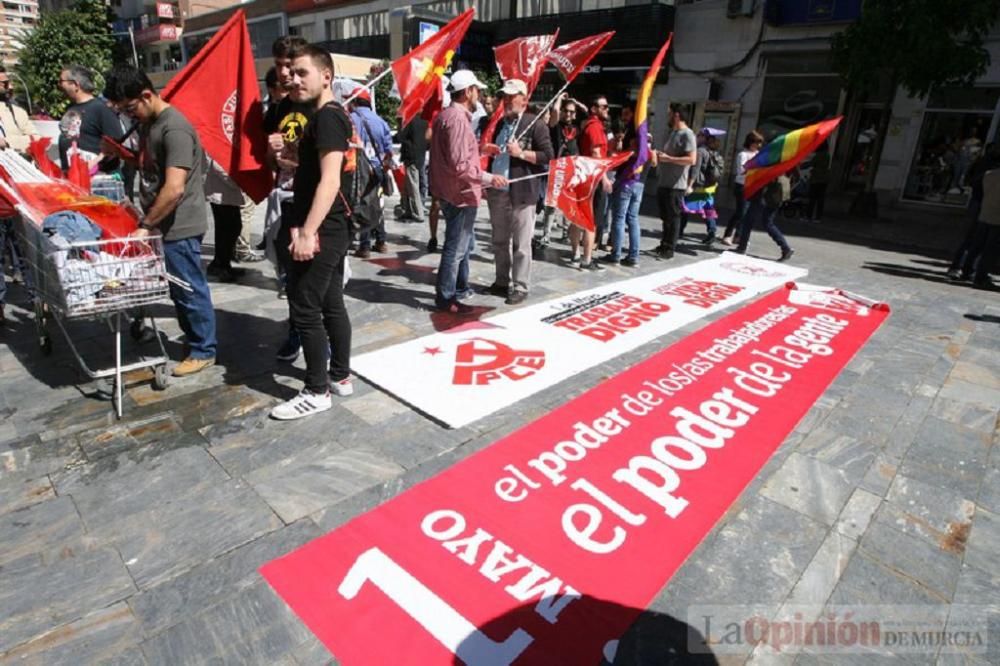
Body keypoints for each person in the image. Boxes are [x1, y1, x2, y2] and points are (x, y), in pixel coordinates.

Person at [102, 66, 217, 377]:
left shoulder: (174, 128)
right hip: (161, 223)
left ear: (146, 95)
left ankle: (204, 349)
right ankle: (196, 340)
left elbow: (174, 188)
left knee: (190, 288)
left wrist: (147, 224)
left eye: (130, 108)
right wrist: (122, 156)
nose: (129, 115)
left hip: (177, 224)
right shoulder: (149, 124)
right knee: (178, 289)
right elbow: (152, 167)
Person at [270, 45, 356, 419]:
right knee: (331, 302)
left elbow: (330, 180)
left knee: (304, 305)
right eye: (291, 72)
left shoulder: (329, 117)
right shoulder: (320, 118)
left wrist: (307, 232)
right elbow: (310, 168)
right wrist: (286, 153)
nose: (293, 79)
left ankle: (316, 389)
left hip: (324, 227)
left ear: (326, 76)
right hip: (331, 226)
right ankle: (339, 376)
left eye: (303, 72)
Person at [429, 70, 506, 313]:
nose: (480, 95)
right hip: (460, 194)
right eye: (477, 90)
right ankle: (447, 297)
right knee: (456, 248)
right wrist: (490, 178)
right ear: (468, 92)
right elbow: (461, 167)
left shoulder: (445, 116)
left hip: (450, 191)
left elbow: (455, 155)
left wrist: (482, 149)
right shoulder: (459, 120)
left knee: (459, 246)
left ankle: (456, 290)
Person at [482, 79, 554, 305]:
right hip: (498, 190)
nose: (506, 100)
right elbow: (497, 155)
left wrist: (521, 153)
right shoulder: (501, 124)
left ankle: (521, 286)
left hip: (522, 192)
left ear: (524, 99)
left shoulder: (536, 124)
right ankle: (502, 281)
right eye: (504, 96)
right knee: (499, 240)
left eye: (511, 96)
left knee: (521, 244)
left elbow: (548, 157)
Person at [263, 35, 310, 363]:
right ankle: (297, 329)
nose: (282, 72)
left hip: (311, 204)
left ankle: (319, 334)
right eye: (278, 65)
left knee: (316, 278)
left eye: (288, 65)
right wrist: (273, 152)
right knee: (289, 275)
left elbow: (329, 163)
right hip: (283, 201)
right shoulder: (278, 107)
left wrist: (294, 158)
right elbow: (268, 159)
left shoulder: (316, 104)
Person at [0, 65, 37, 325]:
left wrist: (11, 142)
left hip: (18, 190)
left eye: (7, 83)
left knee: (25, 249)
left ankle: (36, 298)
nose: (8, 88)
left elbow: (33, 138)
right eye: (3, 84)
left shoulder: (18, 111)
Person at [605, 118, 656, 267]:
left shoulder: (634, 148)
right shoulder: (647, 148)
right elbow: (654, 162)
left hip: (627, 183)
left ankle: (616, 255)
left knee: (619, 219)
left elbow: (617, 158)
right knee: (633, 219)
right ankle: (633, 256)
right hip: (640, 185)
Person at [349, 87, 393, 258]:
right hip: (377, 168)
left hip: (358, 170)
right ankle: (381, 241)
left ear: (355, 102)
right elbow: (389, 151)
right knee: (377, 204)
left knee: (362, 205)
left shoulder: (350, 119)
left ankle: (365, 245)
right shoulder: (381, 121)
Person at [947, 143, 1000, 282]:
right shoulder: (989, 168)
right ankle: (966, 269)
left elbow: (971, 180)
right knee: (982, 242)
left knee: (975, 240)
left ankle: (964, 268)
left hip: (983, 205)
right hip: (986, 206)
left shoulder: (984, 167)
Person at [571, 94, 611, 271]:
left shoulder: (589, 125)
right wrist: (605, 178)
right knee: (590, 220)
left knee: (578, 218)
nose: (607, 109)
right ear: (594, 109)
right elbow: (596, 154)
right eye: (603, 107)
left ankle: (575, 254)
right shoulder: (595, 127)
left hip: (584, 175)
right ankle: (586, 260)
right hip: (592, 178)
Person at [57, 64, 123, 173]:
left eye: (61, 81)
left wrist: (94, 163)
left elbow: (116, 145)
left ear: (75, 85)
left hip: (98, 179)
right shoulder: (71, 108)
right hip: (74, 177)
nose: (59, 85)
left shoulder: (101, 109)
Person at [536, 94, 581, 248]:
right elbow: (555, 111)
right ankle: (546, 235)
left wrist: (576, 102)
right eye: (566, 111)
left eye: (571, 112)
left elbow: (588, 112)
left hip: (571, 167)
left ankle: (565, 234)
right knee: (551, 204)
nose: (568, 114)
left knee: (568, 202)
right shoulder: (556, 125)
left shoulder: (577, 127)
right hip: (557, 167)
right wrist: (560, 98)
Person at [655, 105, 697, 259]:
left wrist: (669, 159)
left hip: (676, 184)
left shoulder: (688, 134)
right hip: (664, 181)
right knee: (665, 216)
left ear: (677, 115)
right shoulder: (673, 133)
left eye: (670, 114)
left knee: (673, 217)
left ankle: (670, 248)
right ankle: (664, 244)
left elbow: (692, 159)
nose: (668, 117)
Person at [204, 160, 247, 282]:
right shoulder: (216, 142)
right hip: (220, 191)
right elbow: (218, 166)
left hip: (227, 191)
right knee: (227, 229)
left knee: (230, 228)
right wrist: (238, 182)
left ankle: (223, 263)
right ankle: (220, 266)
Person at [736, 174, 795, 262]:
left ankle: (742, 247)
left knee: (749, 220)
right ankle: (785, 248)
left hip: (766, 194)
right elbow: (795, 176)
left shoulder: (771, 163)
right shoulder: (783, 165)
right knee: (767, 222)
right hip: (776, 195)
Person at [682, 129, 724, 245]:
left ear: (704, 137)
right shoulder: (714, 151)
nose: (697, 137)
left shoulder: (700, 151)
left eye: (699, 135)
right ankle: (712, 231)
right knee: (708, 208)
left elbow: (695, 170)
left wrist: (689, 185)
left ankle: (679, 230)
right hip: (710, 185)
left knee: (684, 206)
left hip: (699, 185)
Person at [721, 131, 763, 246]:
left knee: (747, 213)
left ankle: (738, 236)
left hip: (754, 186)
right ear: (750, 142)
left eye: (760, 143)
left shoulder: (758, 154)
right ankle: (728, 234)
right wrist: (755, 168)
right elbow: (741, 171)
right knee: (740, 211)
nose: (758, 145)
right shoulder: (743, 155)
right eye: (756, 143)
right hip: (742, 185)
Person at [397, 115, 428, 223]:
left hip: (410, 157)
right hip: (420, 156)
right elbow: (428, 142)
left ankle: (418, 213)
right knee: (408, 186)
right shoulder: (425, 121)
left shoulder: (409, 121)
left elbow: (400, 137)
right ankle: (408, 210)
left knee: (413, 186)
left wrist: (400, 125)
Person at [805, 141, 830, 222]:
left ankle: (809, 216)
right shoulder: (827, 155)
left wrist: (802, 165)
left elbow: (812, 163)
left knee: (812, 198)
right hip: (824, 179)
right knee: (820, 199)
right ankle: (818, 217)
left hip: (816, 179)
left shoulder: (819, 155)